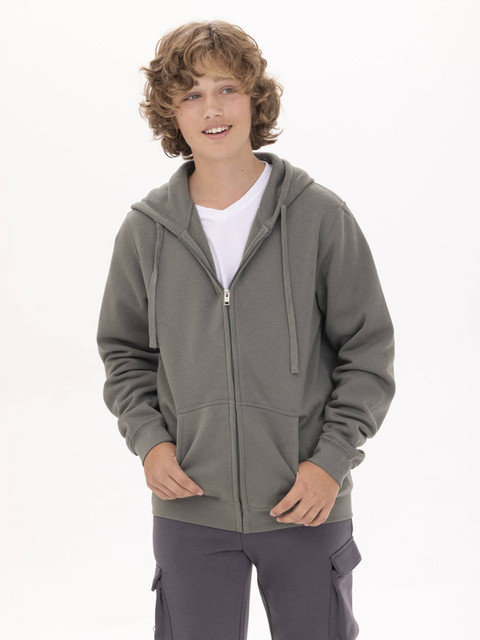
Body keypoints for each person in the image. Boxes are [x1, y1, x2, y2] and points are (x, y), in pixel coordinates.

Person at [96, 20, 395, 640]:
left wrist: (330, 463)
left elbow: (367, 353)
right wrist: (151, 443)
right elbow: (123, 353)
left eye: (227, 88)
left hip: (306, 501)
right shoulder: (146, 231)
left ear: (256, 99)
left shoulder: (320, 216)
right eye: (191, 94)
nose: (212, 109)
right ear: (171, 114)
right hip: (189, 507)